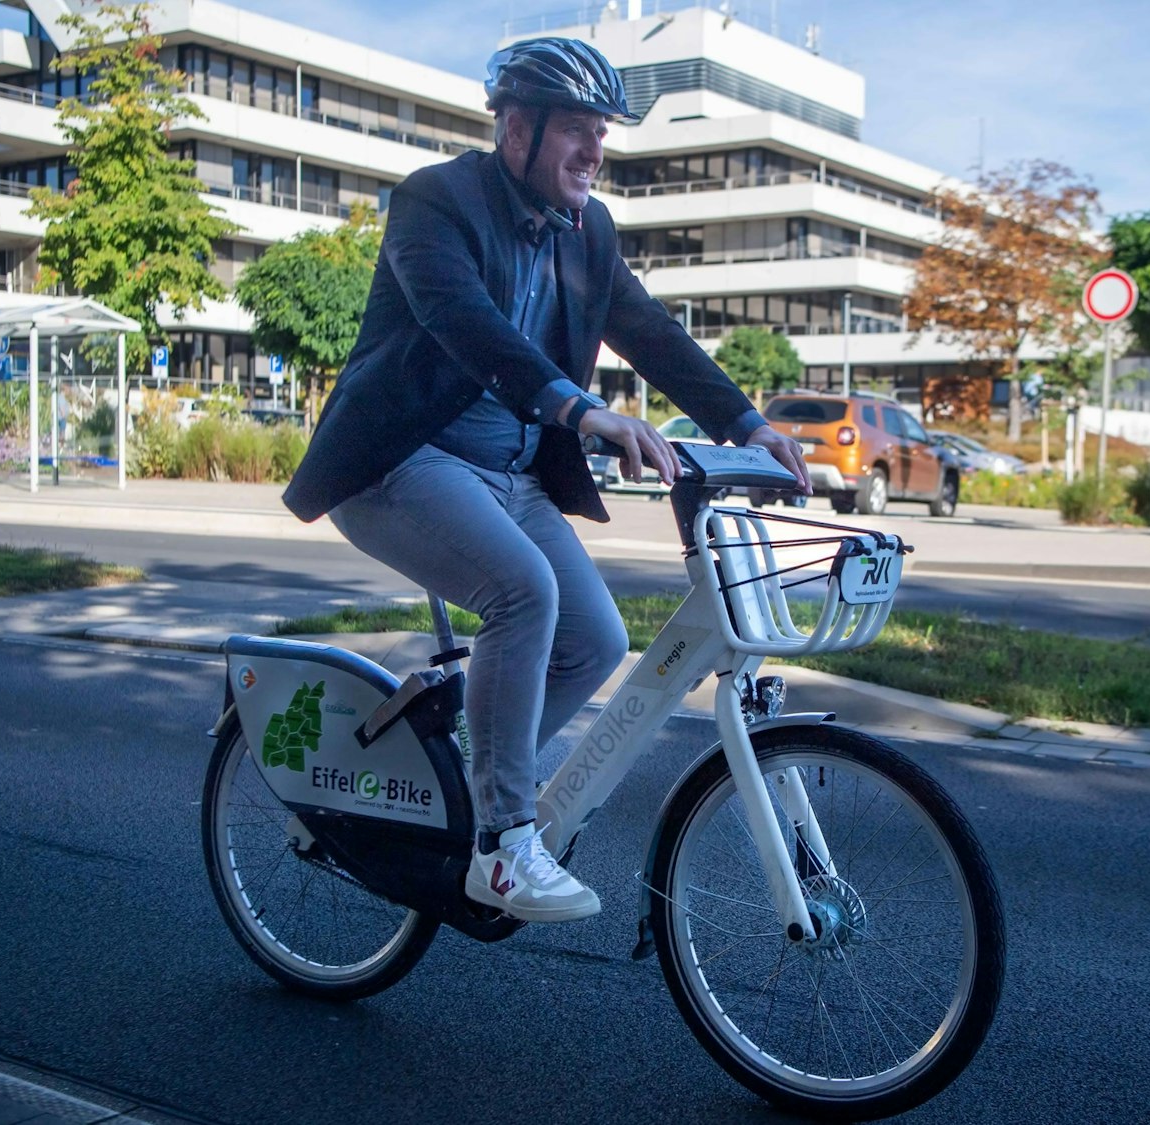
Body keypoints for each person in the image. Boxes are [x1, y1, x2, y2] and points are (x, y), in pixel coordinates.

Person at [282, 37, 810, 924]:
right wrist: (578, 408)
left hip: (511, 476)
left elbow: (649, 330)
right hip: (402, 463)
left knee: (596, 641)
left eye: (602, 134)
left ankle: (460, 784)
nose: (595, 154)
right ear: (516, 128)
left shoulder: (588, 230)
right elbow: (468, 323)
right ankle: (502, 843)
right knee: (524, 594)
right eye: (577, 131)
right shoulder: (435, 203)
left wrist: (747, 422)